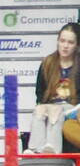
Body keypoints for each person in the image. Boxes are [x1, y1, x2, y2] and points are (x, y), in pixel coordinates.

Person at [28, 22, 80, 153]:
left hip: (74, 107)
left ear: (77, 45)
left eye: (70, 42)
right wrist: (44, 106)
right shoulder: (48, 62)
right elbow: (40, 92)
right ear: (58, 41)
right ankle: (35, 150)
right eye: (62, 41)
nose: (65, 46)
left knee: (55, 110)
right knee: (39, 109)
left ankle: (53, 150)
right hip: (51, 104)